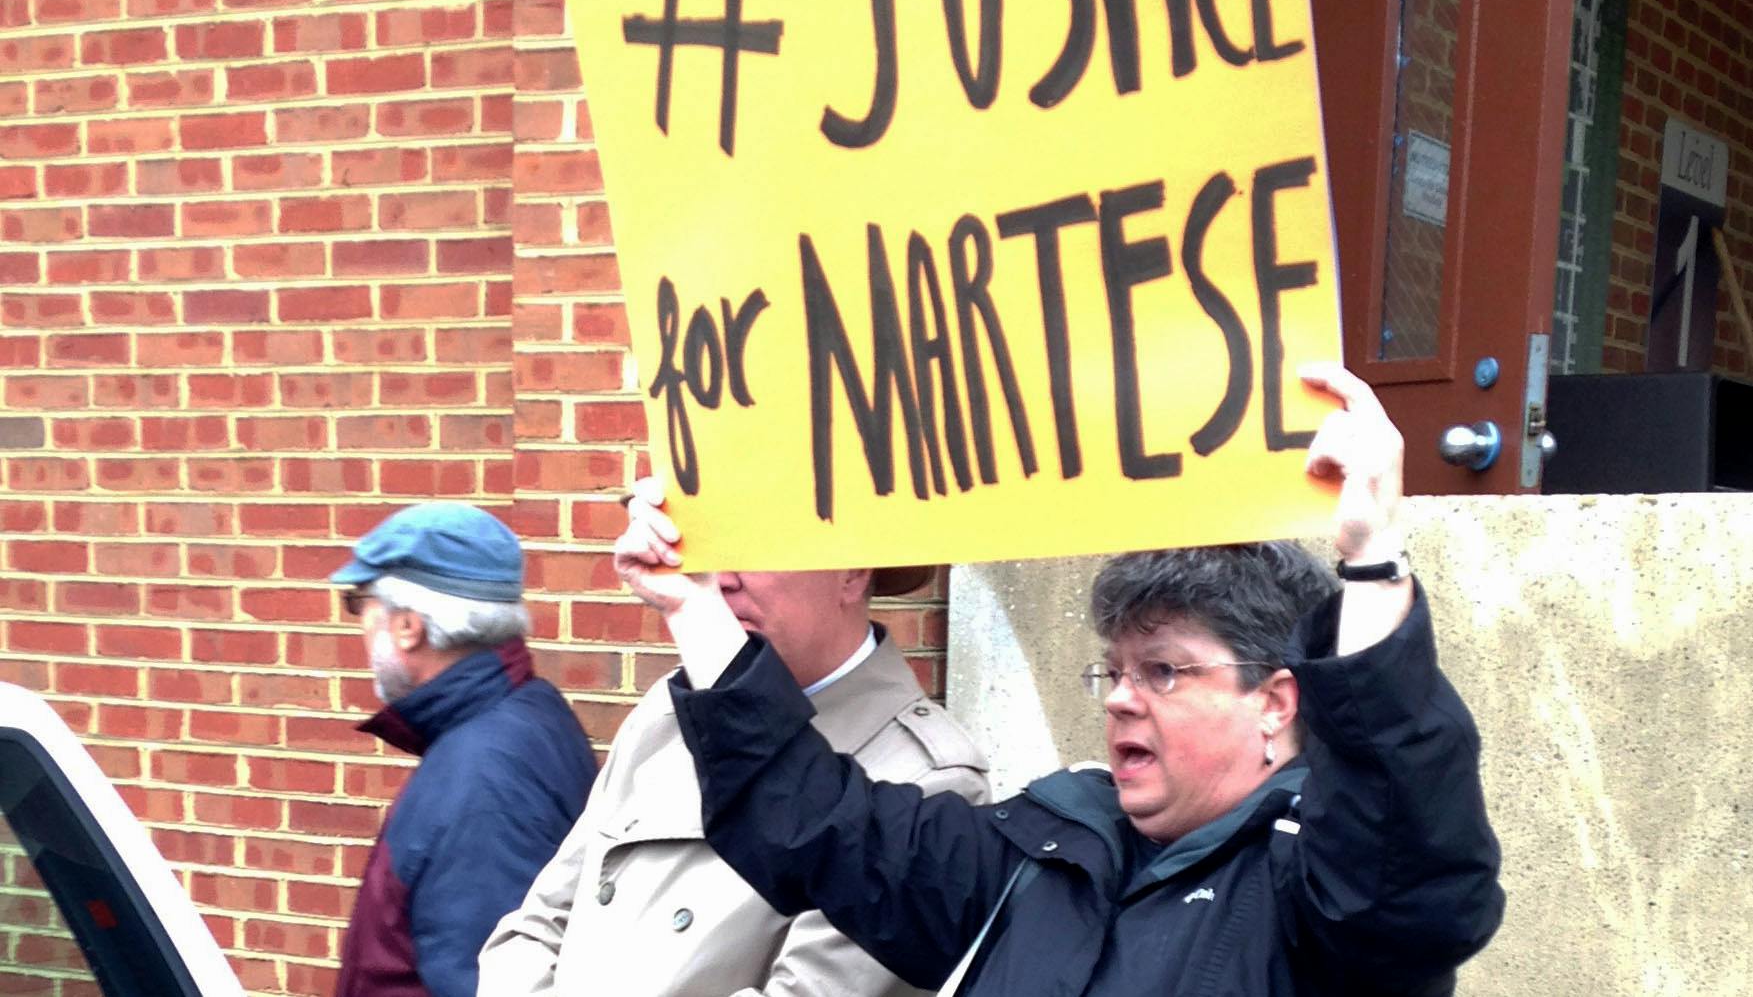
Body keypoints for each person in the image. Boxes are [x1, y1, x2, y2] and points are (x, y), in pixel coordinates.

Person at [614, 362, 1505, 997]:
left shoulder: (1319, 890)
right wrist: (693, 608)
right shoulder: (1040, 854)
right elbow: (814, 824)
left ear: (1272, 703)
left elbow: (1404, 849)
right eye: (1113, 670)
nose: (1119, 697)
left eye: (1162, 671)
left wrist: (1372, 557)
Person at [478, 556, 991, 997]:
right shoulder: (668, 713)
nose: (721, 579)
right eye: (707, 549)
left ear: (852, 571)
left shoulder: (929, 777)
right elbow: (533, 929)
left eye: (755, 549)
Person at [330, 502, 596, 997]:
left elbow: (487, 981)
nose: (359, 624)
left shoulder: (486, 781)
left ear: (408, 626)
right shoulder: (521, 713)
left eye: (359, 603)